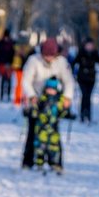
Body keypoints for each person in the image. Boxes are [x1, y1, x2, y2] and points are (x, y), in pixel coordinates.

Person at [20, 37, 74, 168]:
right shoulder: (33, 61)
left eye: (51, 56)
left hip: (54, 102)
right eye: (46, 56)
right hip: (37, 100)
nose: (49, 58)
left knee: (53, 131)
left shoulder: (61, 62)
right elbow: (26, 81)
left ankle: (55, 161)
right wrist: (32, 96)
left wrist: (67, 98)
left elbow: (68, 81)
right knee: (33, 130)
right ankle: (28, 160)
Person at [31, 78, 71, 172]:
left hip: (53, 127)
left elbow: (61, 112)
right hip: (42, 127)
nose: (50, 91)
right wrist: (33, 110)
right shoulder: (42, 99)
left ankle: (54, 163)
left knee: (54, 146)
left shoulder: (59, 101)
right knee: (40, 145)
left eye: (52, 89)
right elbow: (36, 109)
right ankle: (39, 162)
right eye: (48, 89)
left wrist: (66, 111)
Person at [71, 37, 99, 124]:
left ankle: (88, 115)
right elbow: (74, 62)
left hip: (91, 78)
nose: (90, 47)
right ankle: (83, 114)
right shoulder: (81, 53)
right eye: (88, 45)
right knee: (84, 95)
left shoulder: (95, 53)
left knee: (89, 96)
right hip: (82, 78)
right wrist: (72, 71)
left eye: (91, 45)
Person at [0, 29, 15, 101]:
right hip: (2, 63)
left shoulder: (10, 43)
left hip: (8, 63)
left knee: (8, 80)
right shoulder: (3, 43)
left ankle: (7, 95)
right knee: (3, 80)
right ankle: (2, 96)